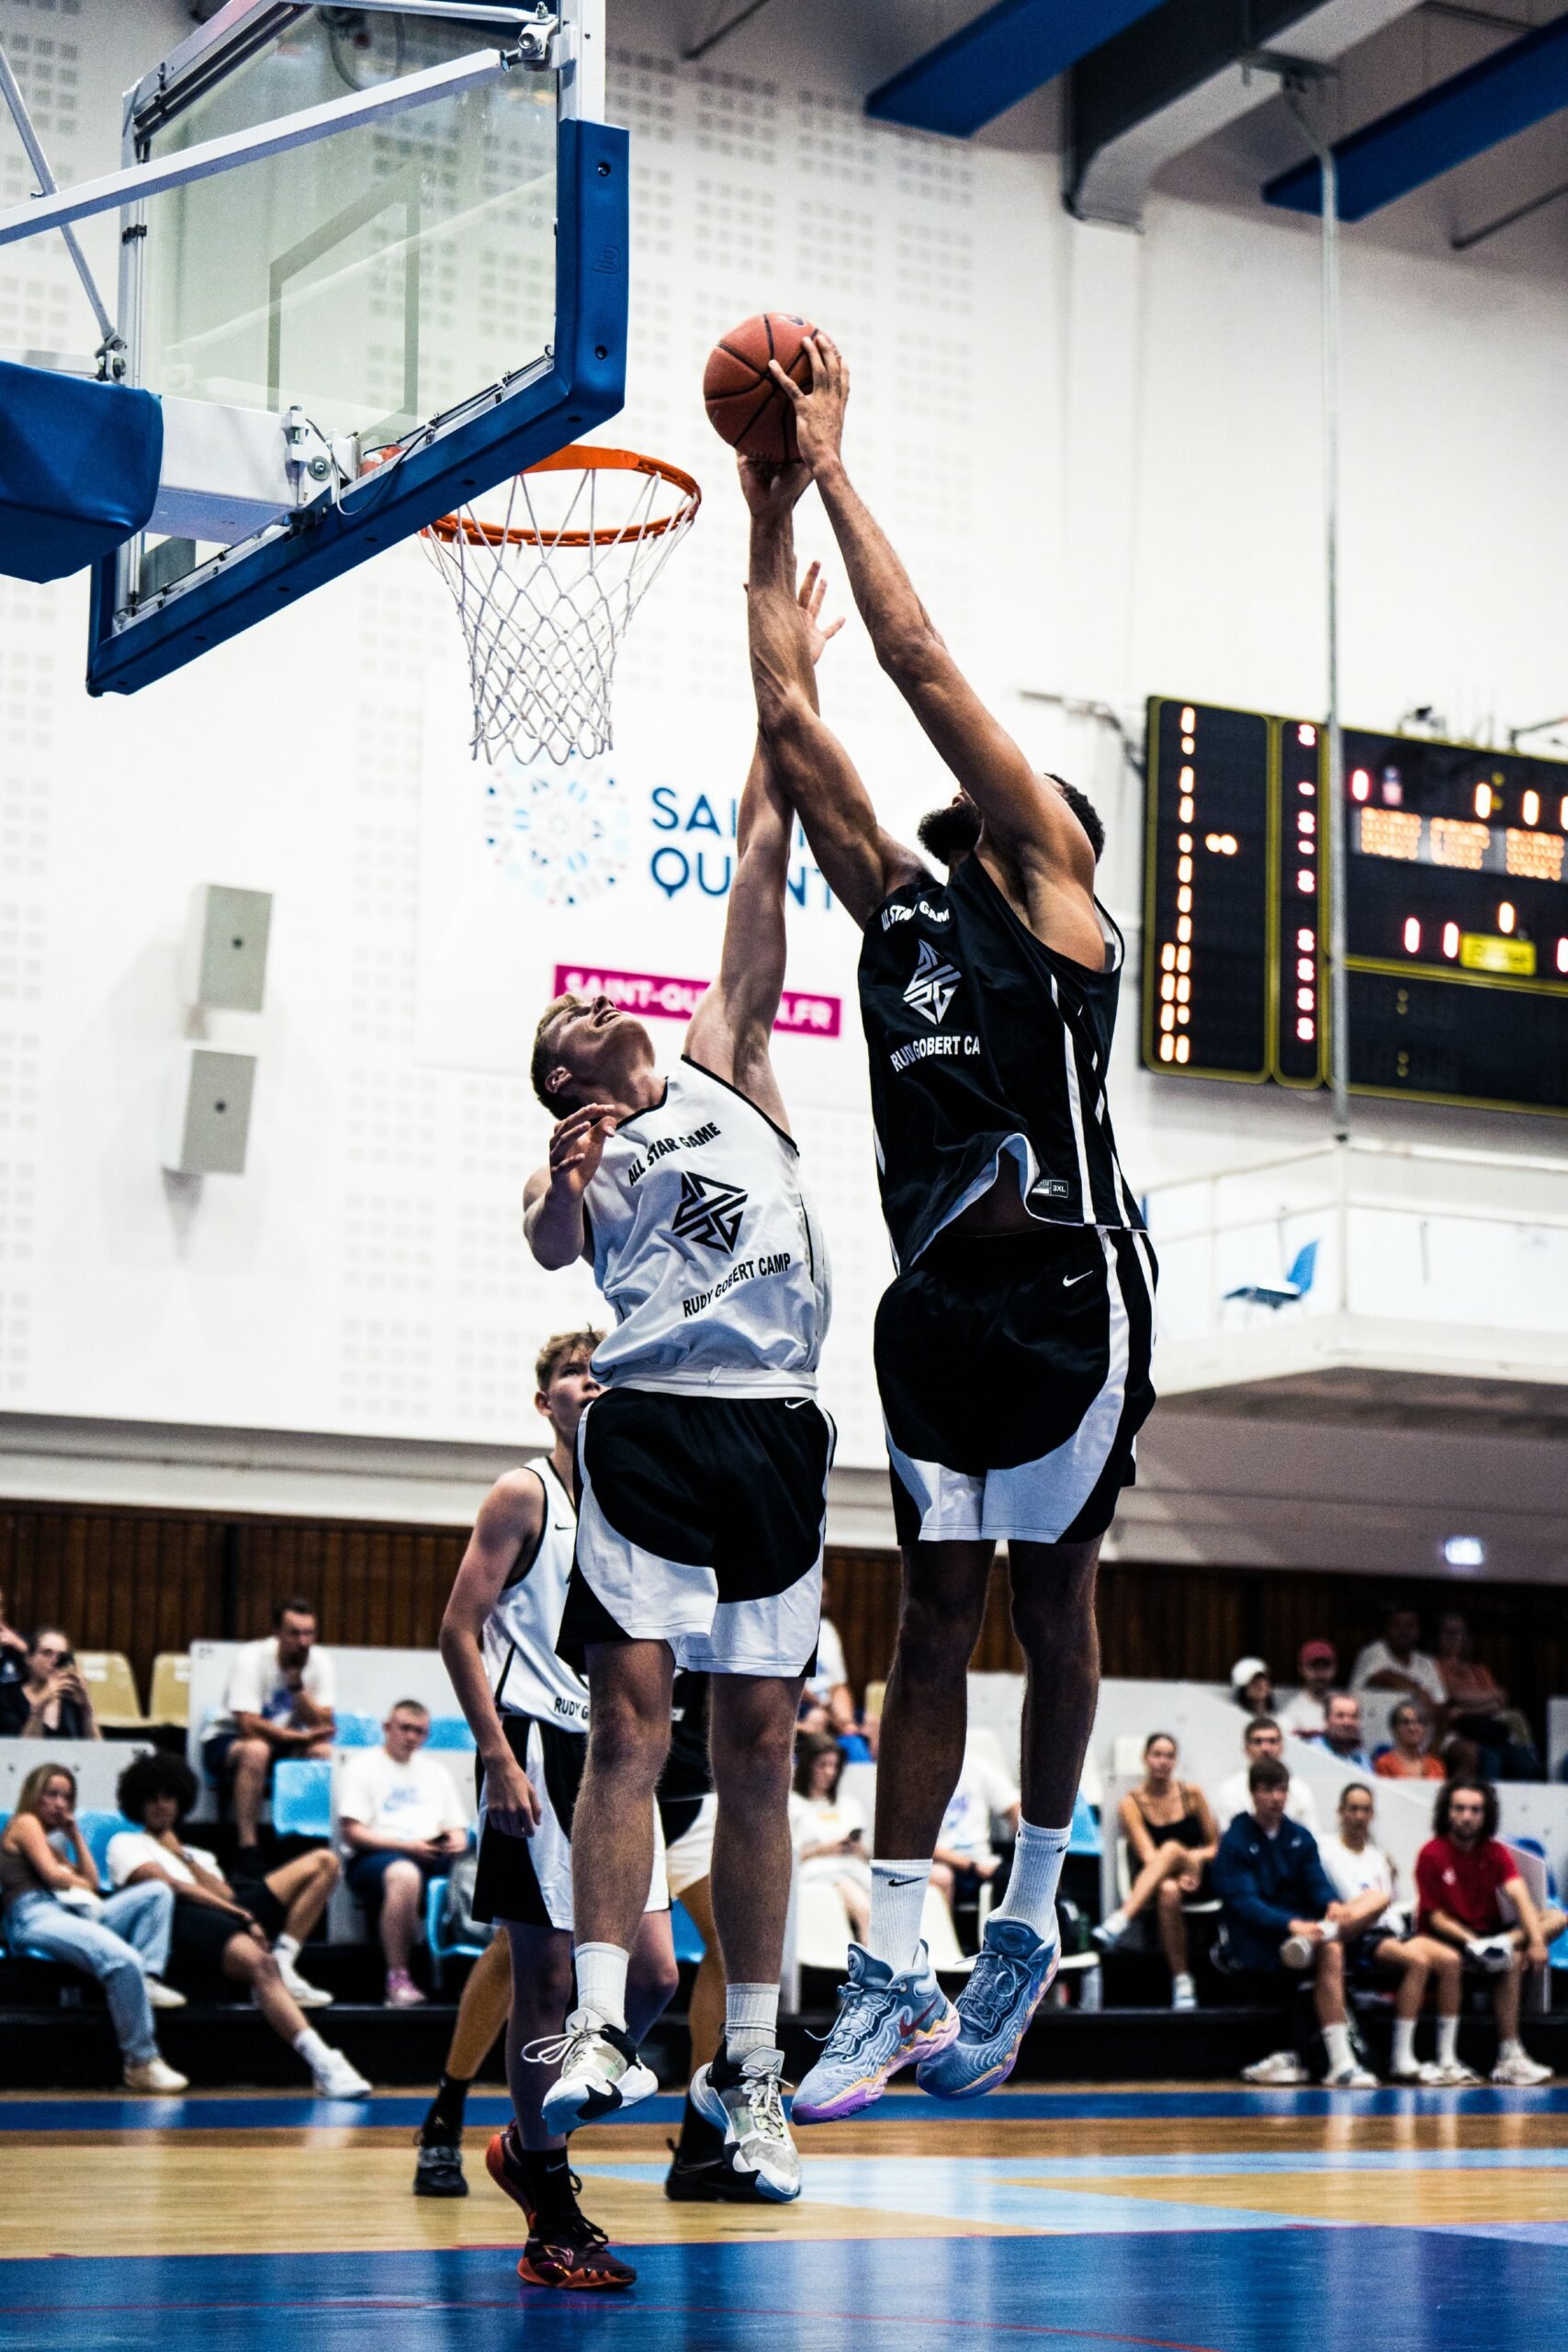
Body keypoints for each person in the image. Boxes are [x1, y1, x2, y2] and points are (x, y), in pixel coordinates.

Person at [742, 344, 1156, 2121]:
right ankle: (893, 1966)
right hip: (933, 1313)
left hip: (1067, 1292)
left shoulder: (1060, 901)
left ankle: (1029, 1929)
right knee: (925, 1621)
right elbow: (790, 722)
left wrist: (830, 462)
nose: (973, 818)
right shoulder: (901, 921)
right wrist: (758, 520)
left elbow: (909, 667)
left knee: (1050, 1603)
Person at [519, 566, 842, 2202]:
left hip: (775, 1431)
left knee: (764, 1740)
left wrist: (782, 699)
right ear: (565, 1074)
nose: (594, 999)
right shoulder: (578, 1153)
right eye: (568, 1018)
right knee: (629, 1729)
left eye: (594, 998)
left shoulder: (727, 1059)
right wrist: (567, 1178)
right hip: (648, 1431)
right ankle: (591, 2024)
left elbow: (758, 857)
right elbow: (543, 1243)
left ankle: (760, 2076)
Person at [436, 1326, 679, 2289]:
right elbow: (458, 1629)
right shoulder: (523, 1492)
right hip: (536, 1746)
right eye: (576, 1374)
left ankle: (524, 2140)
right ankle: (548, 2207)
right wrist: (496, 1753)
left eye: (603, 1372)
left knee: (652, 1976)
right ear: (547, 1401)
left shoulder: (639, 1498)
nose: (592, 1384)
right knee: (541, 1988)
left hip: (619, 1755)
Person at [107, 1752, 367, 2098]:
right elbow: (171, 1888)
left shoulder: (198, 1854)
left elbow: (225, 1894)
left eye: (167, 1796)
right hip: (179, 1922)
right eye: (152, 1798)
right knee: (262, 1964)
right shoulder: (125, 1843)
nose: (161, 1806)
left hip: (221, 1913)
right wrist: (243, 1918)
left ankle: (287, 1960)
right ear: (137, 1803)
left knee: (324, 1862)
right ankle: (325, 2063)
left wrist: (183, 1856)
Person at [0, 1763, 186, 2092]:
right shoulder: (25, 1823)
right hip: (33, 1915)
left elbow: (90, 1881)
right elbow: (56, 1877)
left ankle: (148, 1979)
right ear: (34, 1795)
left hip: (67, 1911)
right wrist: (80, 1883)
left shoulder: (53, 1844)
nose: (60, 1804)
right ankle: (141, 2062)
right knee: (123, 1959)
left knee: (157, 1892)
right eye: (52, 1794)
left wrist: (75, 1836)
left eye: (67, 1797)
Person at [657, 1669, 762, 2203]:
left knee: (729, 1951)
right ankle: (450, 2112)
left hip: (694, 1793)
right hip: (613, 1788)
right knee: (528, 1955)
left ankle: (698, 2147)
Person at [1211, 1758, 1376, 2088]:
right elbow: (1245, 1903)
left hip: (1307, 1932)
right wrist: (1292, 1926)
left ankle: (1330, 1934)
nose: (1275, 1797)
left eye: (1281, 1790)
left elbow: (1315, 1882)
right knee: (1331, 1949)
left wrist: (1330, 1903)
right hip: (1259, 1942)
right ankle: (1342, 2062)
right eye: (1268, 1790)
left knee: (1373, 1901)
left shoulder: (1300, 1836)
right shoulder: (1235, 1840)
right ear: (1253, 1793)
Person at [1319, 1782, 1472, 2086]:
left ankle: (1447, 2057)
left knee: (1451, 1960)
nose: (1359, 1816)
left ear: (1372, 1814)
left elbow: (1390, 1901)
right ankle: (1402, 2057)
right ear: (1341, 1812)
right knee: (1417, 1961)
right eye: (1353, 1809)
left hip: (1390, 1931)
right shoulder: (1326, 1850)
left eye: (1365, 1809)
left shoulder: (1378, 1856)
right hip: (1358, 1934)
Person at [1416, 1779, 1562, 2086]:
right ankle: (1449, 2058)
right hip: (1452, 1940)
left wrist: (1535, 1941)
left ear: (1486, 1815)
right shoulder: (1432, 1853)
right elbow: (1437, 1917)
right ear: (1448, 1812)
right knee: (1502, 1954)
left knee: (1555, 1919)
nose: (1467, 1816)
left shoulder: (1495, 1852)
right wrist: (1473, 1943)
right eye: (1460, 1809)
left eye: (1475, 1810)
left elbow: (1519, 1894)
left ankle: (1510, 2057)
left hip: (1493, 1936)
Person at [338, 1700, 469, 2008]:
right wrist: (407, 1847)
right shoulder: (363, 1766)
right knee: (405, 1874)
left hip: (430, 1855)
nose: (411, 1736)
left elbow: (458, 1830)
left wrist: (453, 1841)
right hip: (375, 1858)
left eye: (419, 1731)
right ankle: (398, 1978)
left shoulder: (435, 1772)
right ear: (387, 1728)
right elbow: (353, 1832)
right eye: (405, 1728)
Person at [1093, 1733, 1217, 2009]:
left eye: (1169, 1756)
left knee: (1173, 1848)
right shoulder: (1131, 1803)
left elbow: (1214, 1846)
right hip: (1156, 1879)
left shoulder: (1192, 1794)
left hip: (1197, 1876)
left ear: (1176, 1761)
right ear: (1145, 1759)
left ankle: (1122, 1917)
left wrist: (1193, 1861)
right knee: (1168, 1888)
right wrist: (1176, 1867)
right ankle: (1183, 1982)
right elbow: (1149, 1855)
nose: (1162, 1762)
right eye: (1157, 1755)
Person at [203, 1600, 335, 1852]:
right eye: (294, 1633)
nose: (303, 1641)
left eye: (309, 1633)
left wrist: (297, 1687)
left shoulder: (320, 1661)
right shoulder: (251, 1658)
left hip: (286, 1742)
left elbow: (325, 1724)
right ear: (276, 1633)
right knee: (256, 1750)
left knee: (325, 1754)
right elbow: (247, 1724)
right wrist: (297, 1737)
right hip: (228, 1739)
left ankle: (314, 1841)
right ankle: (248, 1847)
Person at [931, 1736, 1021, 1939]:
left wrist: (1028, 1849)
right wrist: (969, 1865)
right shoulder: (919, 1774)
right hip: (941, 1861)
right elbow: (920, 1845)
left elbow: (1013, 1806)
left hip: (981, 1861)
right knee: (941, 1875)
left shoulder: (975, 1767)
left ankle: (1008, 1948)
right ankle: (946, 1946)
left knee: (1018, 1874)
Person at [1434, 1612, 1540, 1781]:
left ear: (1466, 1637)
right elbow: (1453, 1695)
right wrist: (1478, 1701)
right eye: (1447, 1632)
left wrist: (1463, 1709)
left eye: (1457, 1633)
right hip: (1457, 1734)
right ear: (1438, 1636)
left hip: (1488, 1732)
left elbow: (1500, 1700)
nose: (1452, 1638)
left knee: (1526, 1764)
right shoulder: (1434, 1666)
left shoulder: (1479, 1670)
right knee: (1491, 1760)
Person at [789, 1729, 872, 1943]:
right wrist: (823, 1850)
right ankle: (872, 1974)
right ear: (808, 1766)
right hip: (817, 1871)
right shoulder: (792, 1805)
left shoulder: (849, 1805)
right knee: (864, 1910)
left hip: (856, 1868)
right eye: (822, 1765)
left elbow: (869, 1855)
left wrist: (854, 1848)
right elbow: (785, 1860)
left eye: (834, 1766)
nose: (829, 1772)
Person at [1215, 1718, 1320, 1834]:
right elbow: (1228, 1838)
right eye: (1258, 1742)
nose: (1265, 1748)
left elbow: (1312, 1837)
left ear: (1282, 1748)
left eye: (1272, 1741)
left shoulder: (1301, 1790)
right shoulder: (1230, 1791)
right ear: (1246, 1749)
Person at [0, 1626, 100, 1739]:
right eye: (47, 1653)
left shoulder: (70, 1697)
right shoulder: (7, 1697)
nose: (55, 1661)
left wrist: (87, 1709)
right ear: (28, 1658)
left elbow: (97, 1751)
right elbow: (23, 1752)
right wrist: (39, 1708)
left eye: (61, 1656)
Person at [1350, 1605, 1445, 1712]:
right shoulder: (1374, 1652)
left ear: (1418, 1630)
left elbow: (1439, 1703)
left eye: (1410, 1625)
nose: (1403, 1631)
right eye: (1397, 1625)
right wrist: (1417, 1693)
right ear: (1387, 1628)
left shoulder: (1426, 1662)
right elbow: (1381, 1678)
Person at [1279, 1641, 1337, 1739]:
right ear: (1301, 1669)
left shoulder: (1345, 1708)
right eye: (1314, 1667)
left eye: (1325, 1666)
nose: (1320, 1674)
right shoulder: (1290, 1712)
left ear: (1334, 1669)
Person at [1376, 1699, 1445, 1781]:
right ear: (1394, 1728)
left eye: (1419, 1721)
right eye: (1406, 1722)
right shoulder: (1384, 1764)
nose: (1413, 1728)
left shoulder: (1435, 1766)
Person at [1308, 1693, 1372, 1771]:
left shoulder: (1362, 1758)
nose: (1347, 1722)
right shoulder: (1312, 1751)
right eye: (1340, 1716)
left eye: (1354, 1716)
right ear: (1326, 1720)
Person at [1230, 1657, 1274, 1721]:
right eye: (1255, 1683)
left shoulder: (1277, 1719)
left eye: (1265, 1684)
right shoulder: (1234, 1715)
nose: (1262, 1686)